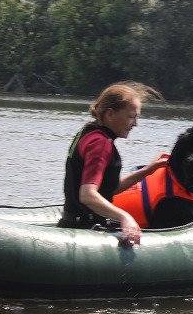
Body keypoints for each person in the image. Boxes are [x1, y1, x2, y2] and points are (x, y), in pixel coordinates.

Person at [58, 82, 167, 246]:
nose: (135, 123)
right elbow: (87, 195)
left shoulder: (89, 133)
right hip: (84, 231)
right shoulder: (100, 144)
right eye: (131, 116)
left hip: (72, 223)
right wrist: (125, 217)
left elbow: (109, 189)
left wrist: (149, 170)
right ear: (110, 114)